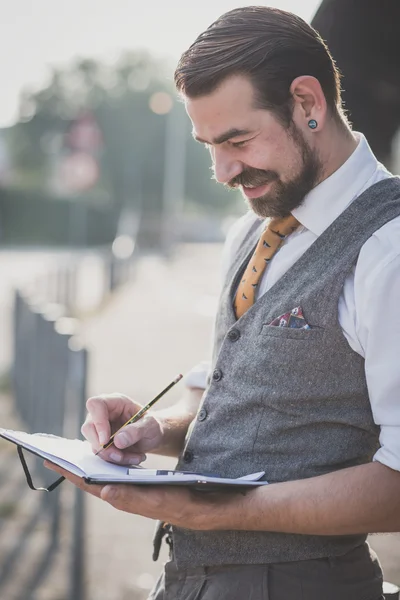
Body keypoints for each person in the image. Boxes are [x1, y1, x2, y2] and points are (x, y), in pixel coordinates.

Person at [46, 7, 400, 599]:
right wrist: (153, 430)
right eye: (209, 144)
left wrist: (215, 513)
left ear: (308, 104)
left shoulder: (389, 247)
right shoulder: (251, 231)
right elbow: (235, 411)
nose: (222, 170)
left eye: (237, 140)